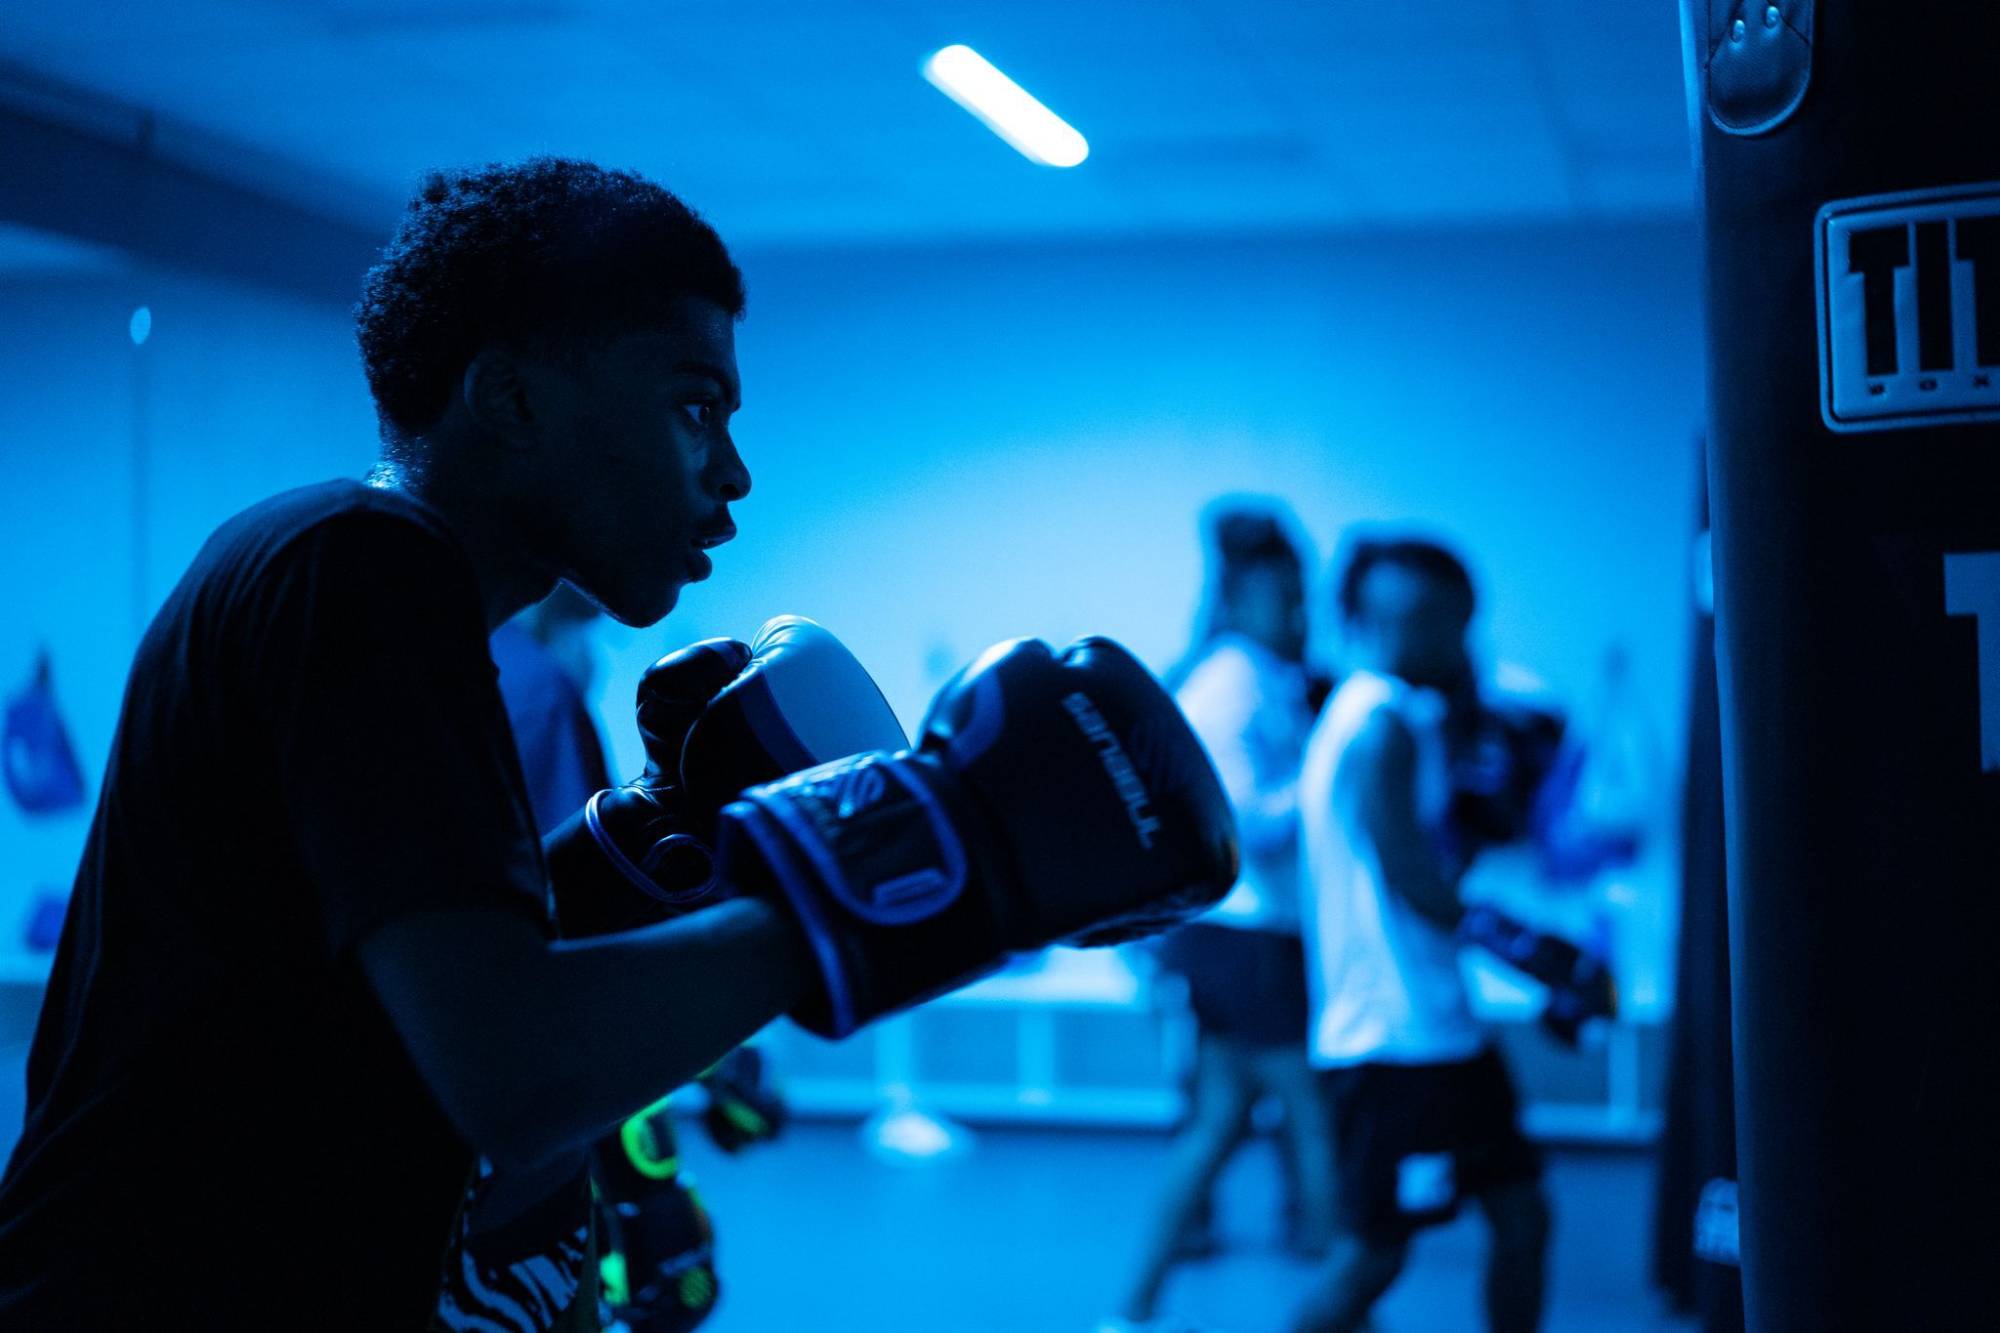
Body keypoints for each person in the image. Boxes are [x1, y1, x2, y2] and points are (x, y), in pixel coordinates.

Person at [0, 158, 1238, 1329]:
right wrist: (939, 846)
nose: (733, 471)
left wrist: (655, 843)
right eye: (691, 406)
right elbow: (515, 1071)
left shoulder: (375, 600)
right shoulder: (360, 570)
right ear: (513, 398)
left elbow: (367, 1025)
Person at [1290, 537, 1551, 1333]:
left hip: (1440, 1026)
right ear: (1366, 622)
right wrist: (1545, 956)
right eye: (1398, 618)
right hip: (1393, 1040)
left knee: (1523, 1216)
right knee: (1374, 1255)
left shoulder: (1406, 715)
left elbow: (1436, 853)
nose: (1421, 637)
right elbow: (1411, 872)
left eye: (1437, 618)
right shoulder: (1382, 725)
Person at [1104, 502, 1332, 1333]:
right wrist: (1322, 791)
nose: (1301, 612)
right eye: (1286, 596)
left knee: (1220, 1123)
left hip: (1248, 937)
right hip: (1241, 939)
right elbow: (1230, 814)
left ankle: (1130, 1309)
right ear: (1238, 593)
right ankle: (1347, 1305)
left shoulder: (1268, 674)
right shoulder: (1226, 680)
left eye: (1304, 595)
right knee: (1313, 1119)